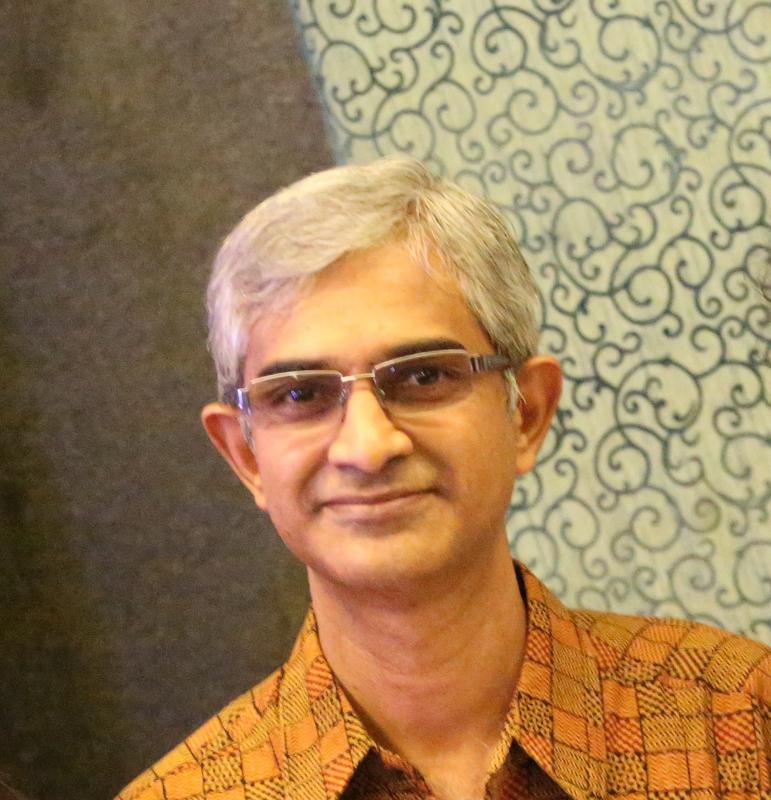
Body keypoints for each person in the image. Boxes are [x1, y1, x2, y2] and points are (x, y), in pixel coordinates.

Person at [117, 158, 770, 800]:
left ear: (526, 413)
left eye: (423, 375)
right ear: (247, 457)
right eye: (300, 394)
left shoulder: (744, 722)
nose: (368, 447)